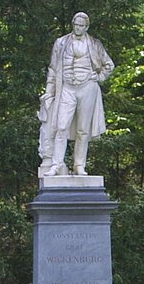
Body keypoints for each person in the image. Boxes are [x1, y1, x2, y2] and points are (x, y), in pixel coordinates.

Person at [40, 11, 114, 178]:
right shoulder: (61, 43)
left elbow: (109, 65)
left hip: (87, 87)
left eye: (81, 26)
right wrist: (49, 91)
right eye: (76, 25)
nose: (78, 28)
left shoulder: (95, 44)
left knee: (83, 129)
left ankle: (79, 164)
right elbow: (52, 69)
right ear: (73, 25)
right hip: (66, 88)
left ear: (86, 27)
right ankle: (56, 164)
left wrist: (99, 76)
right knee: (61, 126)